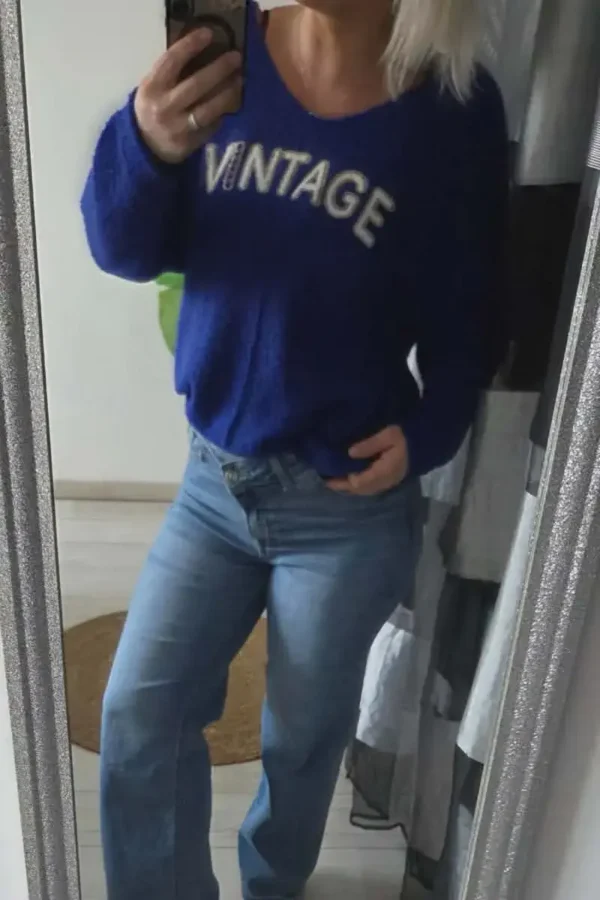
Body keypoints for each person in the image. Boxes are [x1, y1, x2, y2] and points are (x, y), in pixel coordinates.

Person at [81, 1, 508, 898]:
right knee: (139, 716)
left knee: (302, 741)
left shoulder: (454, 107)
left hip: (344, 509)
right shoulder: (226, 56)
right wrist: (147, 143)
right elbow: (121, 248)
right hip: (213, 485)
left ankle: (271, 889)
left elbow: (470, 315)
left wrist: (428, 433)